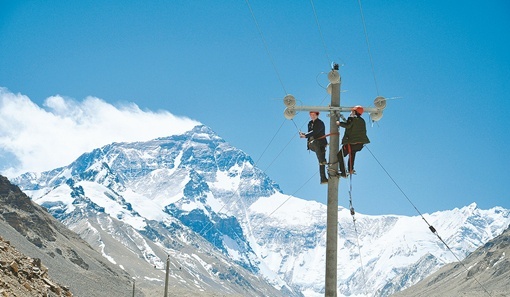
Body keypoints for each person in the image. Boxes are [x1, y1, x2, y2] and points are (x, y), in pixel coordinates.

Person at [336, 105, 370, 178]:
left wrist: (339, 123)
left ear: (354, 112)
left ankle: (343, 172)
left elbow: (348, 125)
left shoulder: (352, 118)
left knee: (340, 155)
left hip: (351, 143)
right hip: (359, 145)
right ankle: (350, 169)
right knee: (352, 154)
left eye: (352, 111)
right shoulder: (362, 121)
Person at [300, 111, 328, 184]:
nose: (312, 116)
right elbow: (311, 133)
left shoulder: (320, 123)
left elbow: (315, 132)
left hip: (321, 143)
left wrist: (305, 135)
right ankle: (322, 160)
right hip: (313, 144)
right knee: (321, 159)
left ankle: (323, 179)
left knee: (321, 162)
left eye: (313, 115)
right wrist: (305, 134)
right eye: (311, 115)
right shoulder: (309, 123)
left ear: (317, 115)